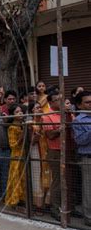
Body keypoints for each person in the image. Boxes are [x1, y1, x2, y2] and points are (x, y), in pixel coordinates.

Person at [42, 91, 62, 220]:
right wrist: (60, 129)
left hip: (68, 150)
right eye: (57, 100)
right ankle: (55, 209)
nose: (60, 102)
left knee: (69, 181)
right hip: (55, 151)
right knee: (58, 182)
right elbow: (50, 135)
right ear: (50, 102)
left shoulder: (66, 114)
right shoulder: (47, 116)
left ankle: (67, 207)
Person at [72, 91, 91, 226]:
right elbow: (80, 140)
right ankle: (89, 217)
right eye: (87, 102)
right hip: (88, 157)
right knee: (88, 188)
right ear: (79, 105)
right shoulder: (78, 120)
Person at [28, 102, 51, 214]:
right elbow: (30, 141)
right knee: (37, 176)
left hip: (47, 150)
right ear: (32, 111)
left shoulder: (46, 120)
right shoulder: (30, 123)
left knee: (48, 175)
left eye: (40, 107)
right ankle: (38, 205)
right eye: (36, 108)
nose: (39, 109)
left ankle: (48, 203)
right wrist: (36, 136)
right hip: (36, 151)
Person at [5, 104, 26, 210]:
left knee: (23, 178)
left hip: (23, 155)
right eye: (17, 112)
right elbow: (13, 145)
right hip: (16, 156)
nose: (20, 113)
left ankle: (22, 199)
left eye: (21, 111)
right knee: (15, 178)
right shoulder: (12, 128)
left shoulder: (22, 125)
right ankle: (14, 201)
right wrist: (22, 136)